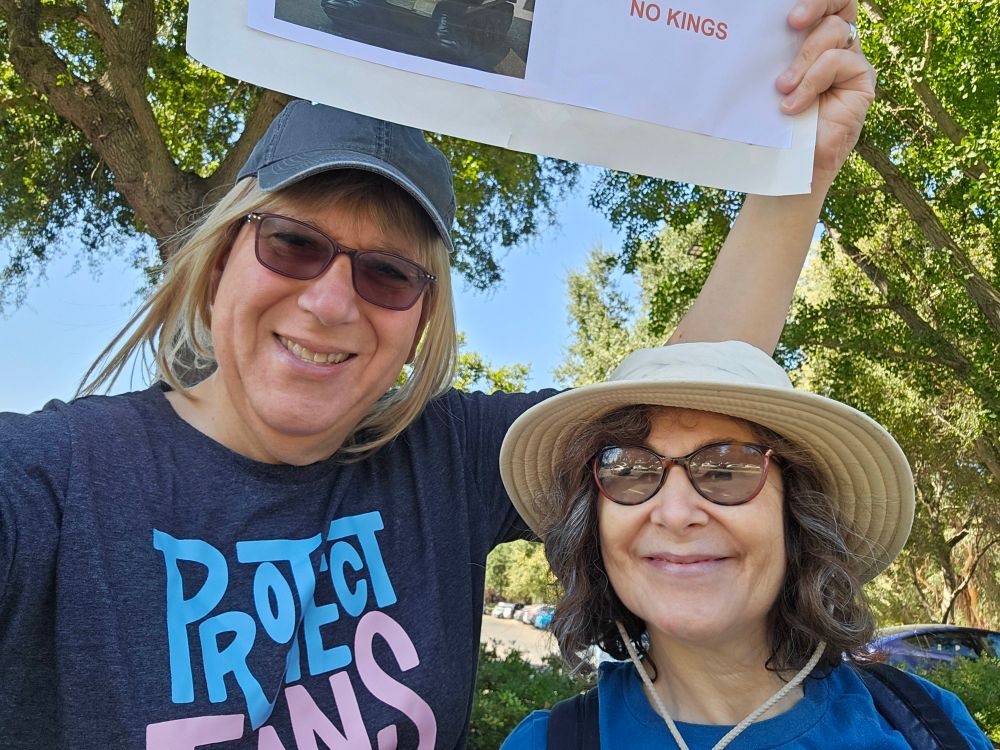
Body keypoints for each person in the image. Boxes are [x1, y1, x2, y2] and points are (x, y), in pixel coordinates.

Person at [0, 2, 874, 747]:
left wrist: (802, 164)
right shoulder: (52, 480)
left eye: (387, 274)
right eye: (293, 245)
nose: (331, 302)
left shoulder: (442, 459)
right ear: (224, 257)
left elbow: (681, 404)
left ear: (420, 320)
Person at [497, 341, 994, 750]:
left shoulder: (926, 727)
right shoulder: (548, 743)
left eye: (726, 469)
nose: (674, 513)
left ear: (796, 513)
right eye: (629, 470)